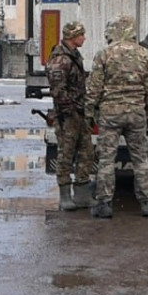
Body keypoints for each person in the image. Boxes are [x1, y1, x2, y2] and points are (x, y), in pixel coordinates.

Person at [84, 15, 148, 218]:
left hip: (110, 113)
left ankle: (105, 203)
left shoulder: (104, 54)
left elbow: (94, 87)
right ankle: (146, 202)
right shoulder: (144, 54)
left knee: (107, 160)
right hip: (136, 113)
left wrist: (89, 113)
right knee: (141, 159)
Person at [46, 21, 95, 211]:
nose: (84, 38)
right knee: (66, 154)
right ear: (72, 37)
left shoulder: (74, 56)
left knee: (86, 152)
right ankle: (65, 196)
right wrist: (69, 113)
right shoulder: (60, 60)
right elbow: (58, 91)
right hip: (68, 115)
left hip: (79, 113)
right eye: (81, 35)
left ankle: (82, 194)